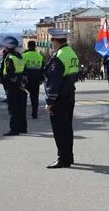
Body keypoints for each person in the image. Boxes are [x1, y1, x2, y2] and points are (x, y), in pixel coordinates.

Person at [43, 28, 80, 169]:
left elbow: (54, 81)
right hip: (70, 93)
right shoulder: (71, 53)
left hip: (60, 97)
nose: (51, 43)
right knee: (67, 128)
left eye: (52, 40)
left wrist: (50, 102)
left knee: (59, 129)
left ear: (55, 40)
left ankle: (63, 159)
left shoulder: (59, 56)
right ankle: (68, 156)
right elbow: (75, 75)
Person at [2, 37, 28, 136]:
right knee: (21, 107)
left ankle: (14, 129)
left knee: (13, 107)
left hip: (12, 86)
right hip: (20, 83)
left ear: (7, 47)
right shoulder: (20, 56)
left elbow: (10, 72)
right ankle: (23, 127)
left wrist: (13, 82)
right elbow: (24, 70)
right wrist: (22, 83)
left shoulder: (9, 58)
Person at [22, 41, 45, 119]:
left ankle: (22, 113)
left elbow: (21, 68)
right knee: (35, 97)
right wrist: (41, 79)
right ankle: (34, 113)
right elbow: (42, 69)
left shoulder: (24, 56)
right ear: (35, 46)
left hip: (25, 79)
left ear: (28, 46)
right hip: (36, 79)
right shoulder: (39, 56)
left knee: (23, 96)